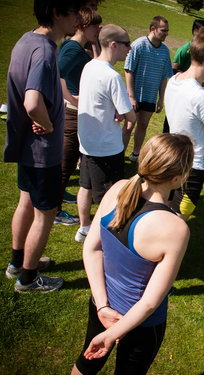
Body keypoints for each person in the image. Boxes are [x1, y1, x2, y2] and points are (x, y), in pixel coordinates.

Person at [71, 133, 193, 375]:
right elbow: (149, 302)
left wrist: (103, 307)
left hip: (101, 303)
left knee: (85, 365)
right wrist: (115, 333)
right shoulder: (175, 229)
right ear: (177, 179)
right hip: (142, 325)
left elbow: (92, 248)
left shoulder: (118, 188)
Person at [3, 0, 85, 292]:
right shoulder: (46, 51)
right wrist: (48, 124)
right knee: (46, 213)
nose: (78, 16)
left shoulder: (26, 40)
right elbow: (32, 101)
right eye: (74, 10)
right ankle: (28, 278)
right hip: (42, 152)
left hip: (26, 147)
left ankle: (17, 263)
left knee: (26, 202)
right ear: (57, 13)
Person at [75, 24, 136, 243]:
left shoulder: (89, 66)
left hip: (87, 142)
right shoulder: (112, 77)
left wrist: (117, 111)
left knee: (85, 186)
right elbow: (130, 116)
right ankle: (103, 238)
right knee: (108, 198)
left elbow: (98, 102)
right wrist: (126, 113)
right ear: (113, 45)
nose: (129, 49)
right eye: (127, 44)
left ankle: (83, 227)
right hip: (107, 147)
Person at [165, 27, 204, 221]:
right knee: (179, 219)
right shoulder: (201, 97)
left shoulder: (173, 81)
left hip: (171, 157)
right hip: (193, 166)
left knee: (164, 207)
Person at [56, 7, 102, 225]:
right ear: (84, 26)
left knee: (68, 161)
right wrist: (72, 98)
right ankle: (55, 211)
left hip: (75, 113)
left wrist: (93, 44)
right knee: (66, 163)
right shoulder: (73, 49)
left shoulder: (77, 47)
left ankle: (57, 200)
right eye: (95, 26)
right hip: (72, 113)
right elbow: (56, 74)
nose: (99, 29)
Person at [123, 16, 172, 162]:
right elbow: (128, 70)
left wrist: (161, 98)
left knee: (143, 125)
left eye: (167, 31)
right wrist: (131, 96)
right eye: (163, 31)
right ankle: (119, 156)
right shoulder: (138, 45)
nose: (166, 34)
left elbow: (165, 76)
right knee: (129, 125)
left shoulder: (165, 51)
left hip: (150, 96)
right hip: (135, 95)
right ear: (153, 29)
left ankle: (136, 153)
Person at [163, 19, 204, 134]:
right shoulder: (184, 50)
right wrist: (190, 79)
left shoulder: (202, 51)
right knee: (171, 124)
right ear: (195, 31)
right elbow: (173, 68)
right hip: (180, 93)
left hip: (193, 95)